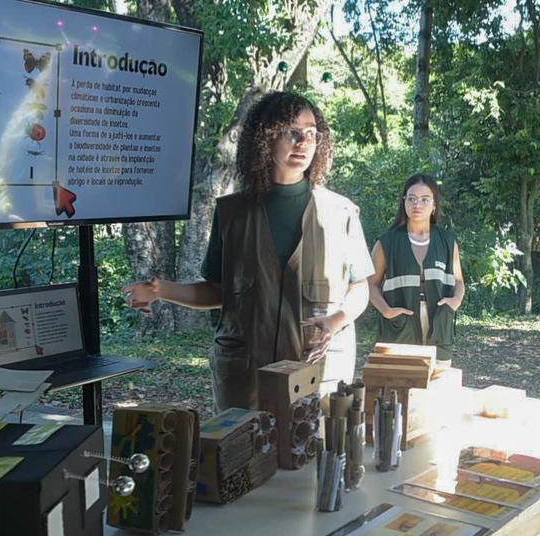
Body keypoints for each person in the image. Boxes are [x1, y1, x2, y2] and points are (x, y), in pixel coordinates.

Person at [122, 92, 373, 409]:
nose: (303, 142)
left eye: (311, 133)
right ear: (265, 138)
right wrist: (161, 290)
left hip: (317, 371)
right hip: (245, 375)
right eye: (291, 132)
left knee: (314, 440)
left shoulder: (340, 213)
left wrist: (336, 320)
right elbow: (219, 291)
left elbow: (360, 287)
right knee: (242, 441)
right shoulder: (232, 212)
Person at [368, 174, 465, 364]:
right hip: (399, 326)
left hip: (439, 322)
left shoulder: (447, 241)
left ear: (434, 204)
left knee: (438, 375)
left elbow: (459, 281)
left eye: (424, 199)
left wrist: (455, 301)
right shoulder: (387, 242)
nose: (417, 204)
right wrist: (386, 311)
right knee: (400, 376)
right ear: (404, 201)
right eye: (411, 198)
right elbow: (371, 284)